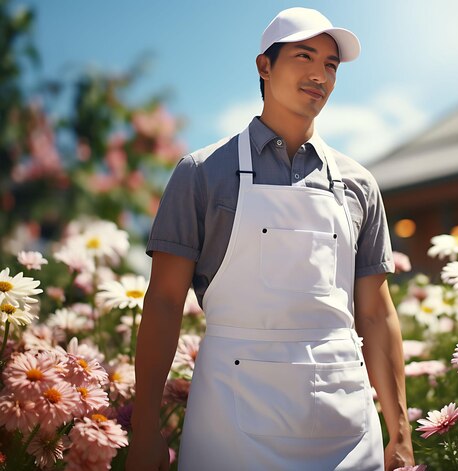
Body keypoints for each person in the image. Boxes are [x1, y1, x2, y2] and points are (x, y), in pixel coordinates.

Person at [126, 7, 414, 471]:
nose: (319, 74)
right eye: (304, 56)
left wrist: (399, 432)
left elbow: (377, 314)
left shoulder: (359, 184)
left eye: (330, 65)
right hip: (230, 422)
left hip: (346, 427)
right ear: (264, 65)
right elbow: (162, 301)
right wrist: (145, 429)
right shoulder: (203, 173)